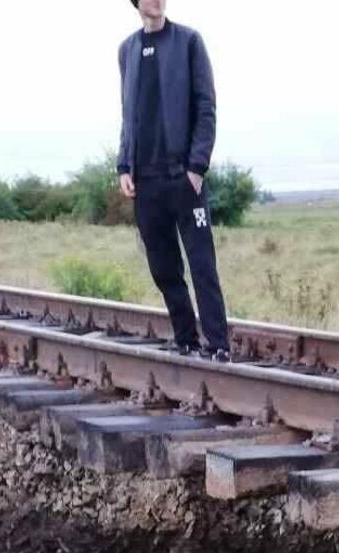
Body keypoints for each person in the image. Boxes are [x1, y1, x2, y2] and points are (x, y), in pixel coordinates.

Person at [117, 0, 230, 361]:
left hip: (184, 178)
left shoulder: (189, 42)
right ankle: (186, 339)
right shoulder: (127, 50)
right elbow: (128, 114)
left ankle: (218, 345)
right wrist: (124, 165)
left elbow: (206, 106)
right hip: (146, 181)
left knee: (202, 264)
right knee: (163, 266)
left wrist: (197, 166)